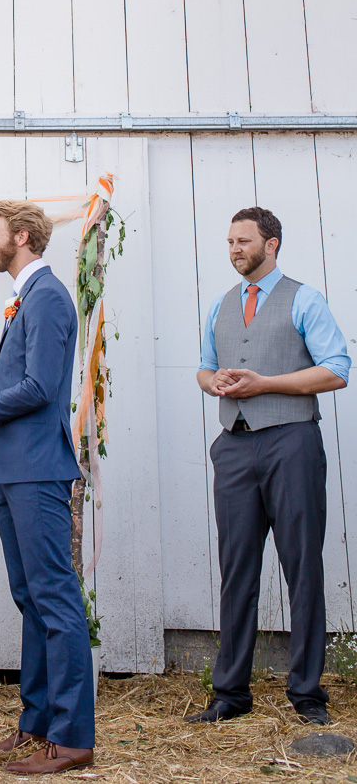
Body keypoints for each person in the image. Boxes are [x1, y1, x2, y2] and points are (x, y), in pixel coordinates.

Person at [0, 200, 95, 776]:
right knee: (30, 599)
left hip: (37, 469)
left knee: (54, 599)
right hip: (11, 469)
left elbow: (39, 386)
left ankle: (73, 737)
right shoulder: (28, 298)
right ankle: (35, 724)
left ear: (22, 237)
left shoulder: (50, 297)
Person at [188, 206, 350, 727]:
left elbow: (337, 370)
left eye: (244, 241)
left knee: (301, 568)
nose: (235, 249)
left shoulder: (304, 298)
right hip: (234, 447)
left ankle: (306, 694)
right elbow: (205, 366)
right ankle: (230, 693)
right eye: (230, 241)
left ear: (272, 244)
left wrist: (267, 383)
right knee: (237, 573)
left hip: (291, 442)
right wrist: (210, 382)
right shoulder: (219, 305)